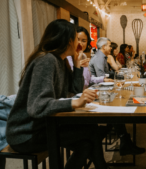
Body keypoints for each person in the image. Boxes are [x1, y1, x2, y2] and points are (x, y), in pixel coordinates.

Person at [6, 19, 110, 169]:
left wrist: (76, 65)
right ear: (69, 41)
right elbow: (37, 106)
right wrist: (74, 103)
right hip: (25, 133)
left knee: (86, 142)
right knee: (91, 131)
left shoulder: (59, 61)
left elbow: (75, 90)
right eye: (76, 38)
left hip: (44, 126)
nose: (79, 43)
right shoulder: (46, 61)